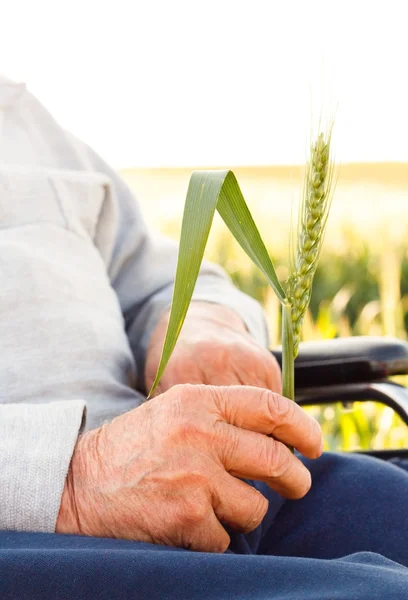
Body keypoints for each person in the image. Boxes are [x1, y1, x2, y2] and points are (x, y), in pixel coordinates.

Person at [0, 73, 408, 599]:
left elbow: (153, 275)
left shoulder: (20, 116)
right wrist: (75, 479)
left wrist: (197, 326)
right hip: (39, 536)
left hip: (214, 480)